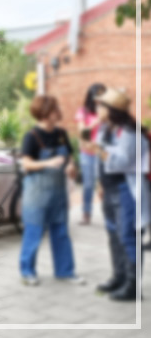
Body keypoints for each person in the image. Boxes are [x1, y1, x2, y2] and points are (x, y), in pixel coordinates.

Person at [19, 95, 84, 286]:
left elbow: (69, 158)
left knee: (61, 232)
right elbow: (27, 164)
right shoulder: (32, 137)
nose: (58, 112)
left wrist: (71, 167)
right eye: (54, 109)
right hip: (36, 195)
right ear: (45, 113)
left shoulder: (61, 134)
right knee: (34, 233)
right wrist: (49, 162)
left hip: (58, 193)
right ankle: (27, 271)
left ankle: (65, 271)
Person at [92, 87, 150, 301]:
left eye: (101, 105)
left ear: (111, 109)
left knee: (128, 237)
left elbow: (122, 162)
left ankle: (133, 286)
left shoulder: (130, 132)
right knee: (114, 236)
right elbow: (103, 160)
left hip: (127, 191)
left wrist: (102, 152)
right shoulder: (106, 129)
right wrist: (100, 183)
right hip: (109, 190)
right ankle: (119, 277)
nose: (97, 108)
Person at [75, 83, 106, 224]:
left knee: (105, 183)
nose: (100, 101)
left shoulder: (108, 112)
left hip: (102, 153)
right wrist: (97, 120)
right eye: (98, 97)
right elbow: (83, 132)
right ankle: (86, 213)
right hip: (87, 153)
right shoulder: (83, 112)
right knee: (88, 184)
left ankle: (109, 213)